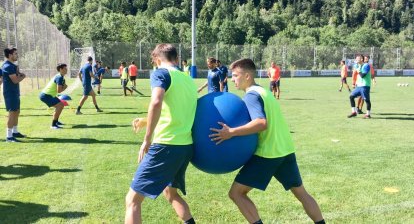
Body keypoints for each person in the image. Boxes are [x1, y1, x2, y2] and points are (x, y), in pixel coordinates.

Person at [209, 58, 325, 224]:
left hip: (268, 153)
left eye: (235, 75)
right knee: (301, 193)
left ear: (247, 76)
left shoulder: (251, 96)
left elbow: (261, 123)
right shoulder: (264, 91)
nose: (232, 79)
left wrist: (231, 132)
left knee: (236, 193)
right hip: (285, 150)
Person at [125, 44, 198, 224]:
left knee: (132, 200)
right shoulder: (188, 79)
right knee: (170, 193)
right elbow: (176, 109)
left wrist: (147, 139)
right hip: (185, 146)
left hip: (166, 145)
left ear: (157, 60)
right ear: (176, 58)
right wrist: (145, 120)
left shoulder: (160, 73)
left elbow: (156, 102)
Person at [2, 48, 26, 142]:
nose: (17, 55)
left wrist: (19, 75)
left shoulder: (13, 66)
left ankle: (15, 132)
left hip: (15, 92)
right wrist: (23, 76)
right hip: (10, 93)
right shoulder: (7, 66)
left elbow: (17, 75)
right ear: (10, 55)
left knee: (17, 111)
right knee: (12, 113)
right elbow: (15, 80)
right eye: (15, 54)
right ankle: (9, 136)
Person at [39, 63, 68, 129]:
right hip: (46, 95)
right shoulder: (59, 77)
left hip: (49, 95)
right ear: (61, 69)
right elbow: (59, 91)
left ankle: (56, 121)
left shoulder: (60, 77)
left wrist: (64, 86)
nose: (67, 70)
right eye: (65, 68)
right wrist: (65, 87)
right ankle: (53, 125)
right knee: (59, 105)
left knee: (61, 105)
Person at [348, 55, 372, 119]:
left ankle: (368, 114)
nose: (356, 60)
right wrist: (355, 83)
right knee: (351, 96)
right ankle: (354, 112)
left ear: (361, 59)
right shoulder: (358, 66)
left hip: (365, 86)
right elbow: (357, 76)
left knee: (366, 100)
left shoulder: (366, 65)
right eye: (355, 59)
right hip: (359, 86)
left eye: (357, 58)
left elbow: (362, 75)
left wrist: (358, 69)